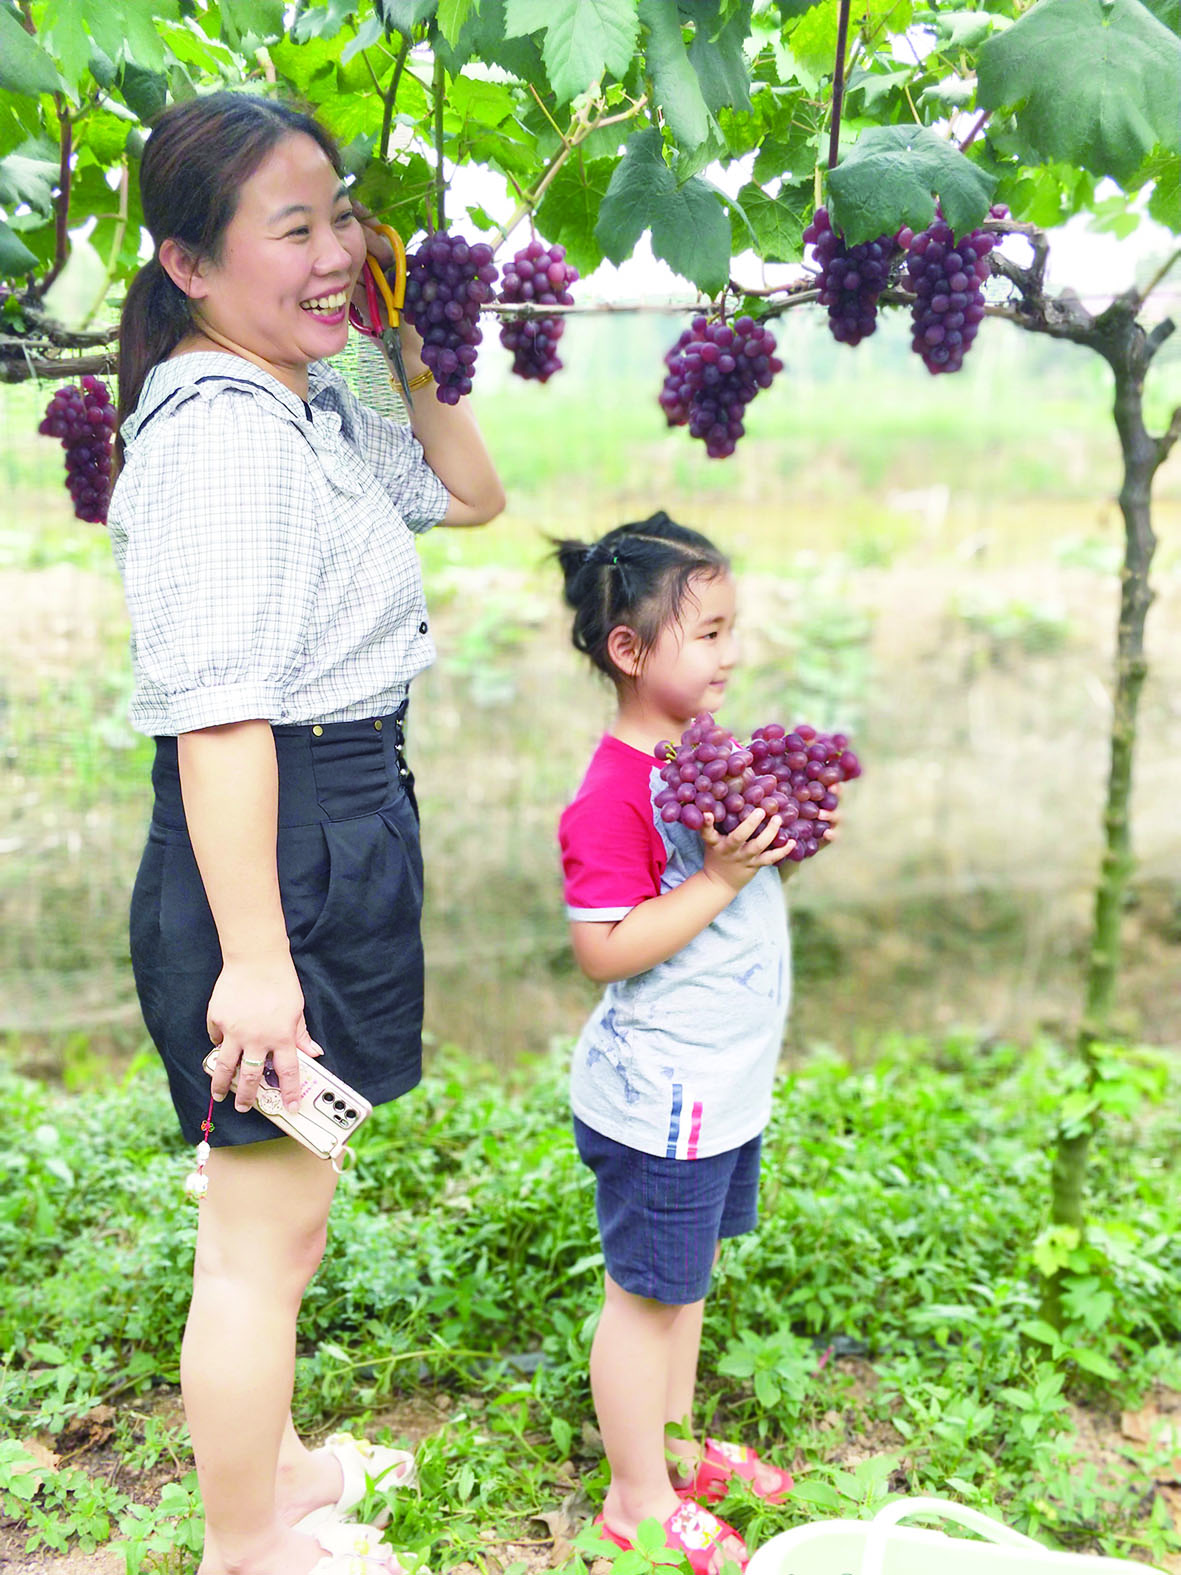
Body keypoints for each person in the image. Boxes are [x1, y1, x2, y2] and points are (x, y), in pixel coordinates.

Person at [107, 93, 504, 1575]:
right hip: (277, 841)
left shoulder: (306, 395)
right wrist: (258, 963)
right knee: (255, 1242)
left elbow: (470, 494)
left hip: (335, 816)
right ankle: (245, 1547)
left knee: (285, 1205)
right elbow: (219, 721)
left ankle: (275, 1469)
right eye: (294, 228)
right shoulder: (223, 437)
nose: (336, 249)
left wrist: (406, 346)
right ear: (188, 265)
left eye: (342, 214)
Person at [555, 514, 832, 1574]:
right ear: (628, 650)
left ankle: (668, 1453)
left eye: (730, 630)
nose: (731, 653)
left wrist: (768, 846)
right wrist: (717, 878)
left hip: (719, 1088)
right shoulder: (613, 793)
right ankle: (634, 1502)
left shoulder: (698, 759)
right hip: (661, 1096)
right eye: (708, 633)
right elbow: (603, 948)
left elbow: (729, 892)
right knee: (644, 1297)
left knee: (686, 1278)